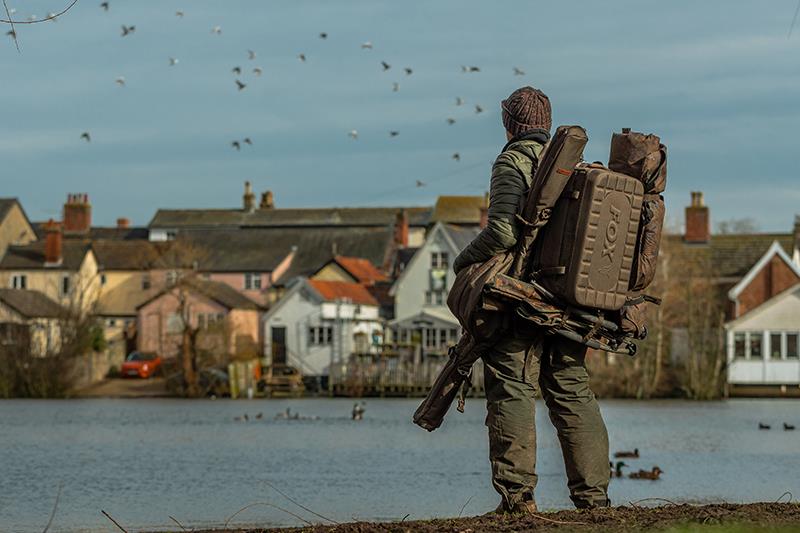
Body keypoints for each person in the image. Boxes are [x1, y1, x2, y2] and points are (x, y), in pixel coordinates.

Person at [452, 86, 610, 514]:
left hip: (525, 299)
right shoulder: (573, 166)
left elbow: (503, 233)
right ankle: (594, 501)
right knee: (572, 391)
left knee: (511, 388)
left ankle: (518, 501)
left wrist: (463, 262)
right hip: (574, 301)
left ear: (510, 124)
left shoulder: (513, 161)